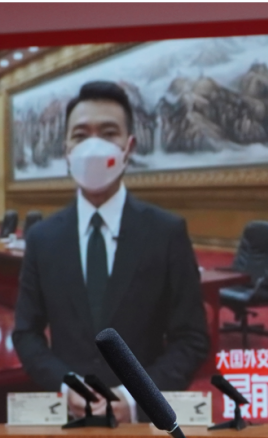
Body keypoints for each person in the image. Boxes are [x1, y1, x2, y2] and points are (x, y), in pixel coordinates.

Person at [13, 81, 209, 420]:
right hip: (68, 420)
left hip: (144, 422)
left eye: (108, 133)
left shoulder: (166, 232)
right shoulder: (43, 238)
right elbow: (26, 333)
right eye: (80, 135)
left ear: (129, 147)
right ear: (66, 150)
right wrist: (65, 384)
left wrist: (135, 398)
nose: (93, 147)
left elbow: (191, 339)